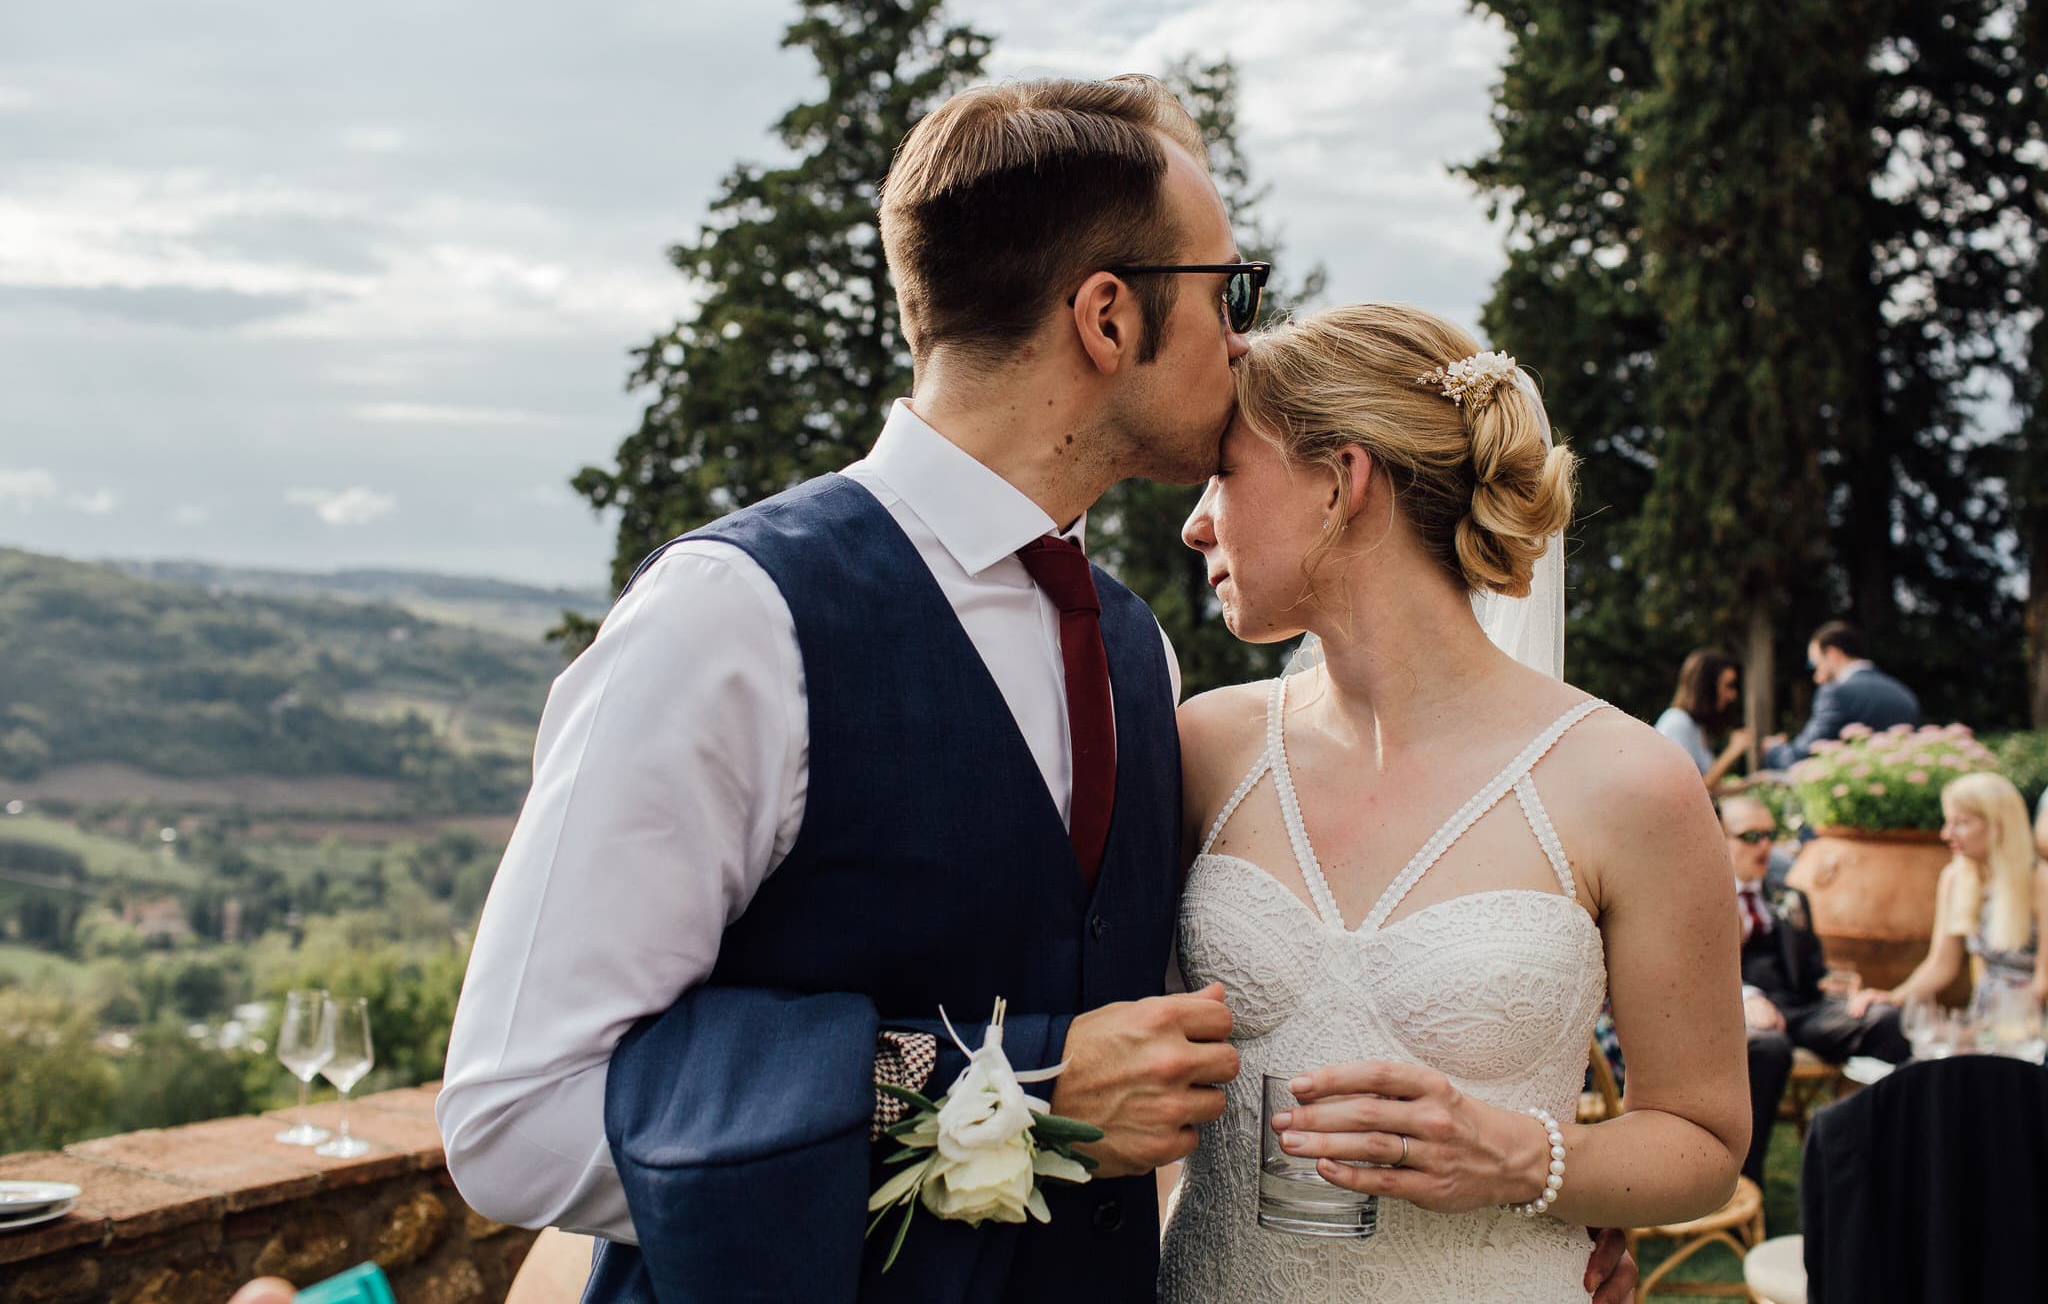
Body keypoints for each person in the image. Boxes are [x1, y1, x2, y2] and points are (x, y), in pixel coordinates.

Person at [433, 76, 1641, 1304]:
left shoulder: (1133, 656)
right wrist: (1010, 1104)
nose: (1241, 340)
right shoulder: (732, 620)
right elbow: (517, 1119)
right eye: (1228, 293)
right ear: (1108, 320)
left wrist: (1531, 1205)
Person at [1162, 303, 1747, 1301]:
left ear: (1339, 482)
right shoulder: (1200, 749)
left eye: (1222, 469)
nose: (1193, 521)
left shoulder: (1627, 781)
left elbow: (1701, 1140)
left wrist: (1519, 1157)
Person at [1720, 794, 1907, 1185]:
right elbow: (1693, 969)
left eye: (1770, 835)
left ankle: (1882, 1166)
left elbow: (1815, 973)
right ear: (1719, 837)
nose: (1764, 846)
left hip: (1804, 1008)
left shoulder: (1789, 896)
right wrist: (1746, 997)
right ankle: (1744, 1183)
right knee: (1767, 1047)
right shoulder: (1703, 898)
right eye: (1750, 835)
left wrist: (1847, 992)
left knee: (1885, 1020)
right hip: (1740, 1013)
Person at [1888, 771, 2048, 1011]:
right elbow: (1941, 964)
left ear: (1998, 825)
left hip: (2031, 1020)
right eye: (1947, 822)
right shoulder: (1955, 878)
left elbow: (2043, 983)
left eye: (1961, 823)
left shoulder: (2040, 880)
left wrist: (2008, 1030)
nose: (1946, 834)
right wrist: (1892, 1000)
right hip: (1984, 1017)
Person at [1762, 620, 1920, 768]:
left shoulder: (1835, 693)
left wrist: (1774, 750)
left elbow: (1804, 755)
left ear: (1832, 654)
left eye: (1814, 665)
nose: (1816, 677)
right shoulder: (1903, 693)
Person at [1653, 648, 1751, 791]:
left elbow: (1712, 790)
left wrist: (1756, 782)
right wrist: (1733, 751)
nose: (1733, 695)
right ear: (1705, 687)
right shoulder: (1677, 723)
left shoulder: (1695, 726)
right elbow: (1690, 791)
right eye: (1728, 685)